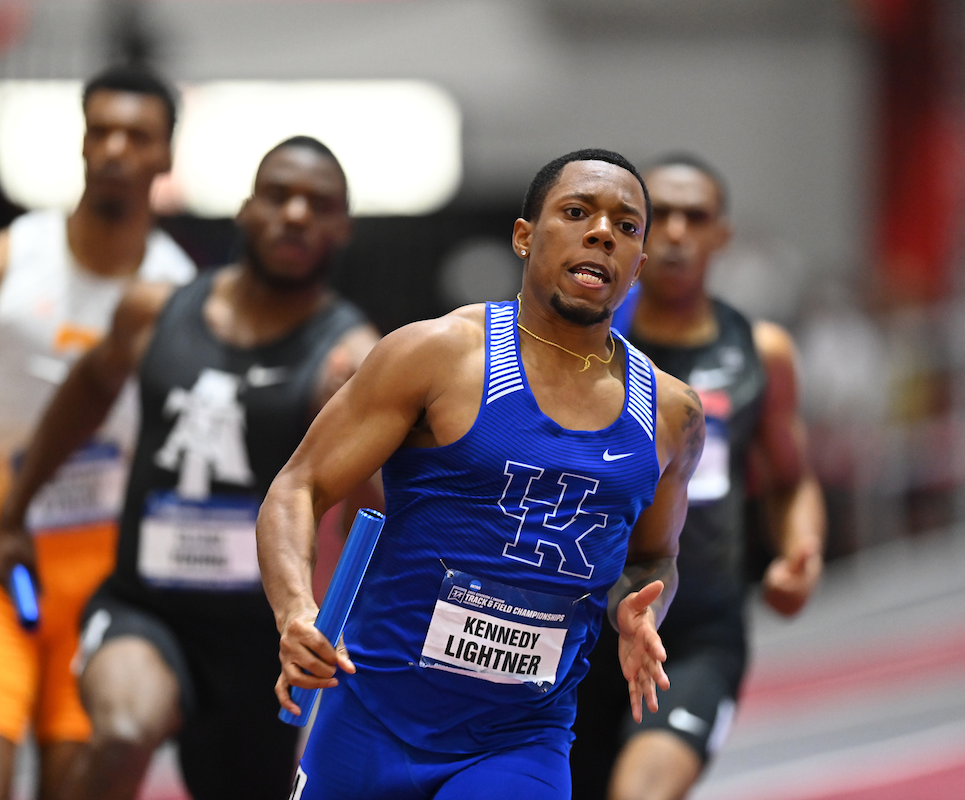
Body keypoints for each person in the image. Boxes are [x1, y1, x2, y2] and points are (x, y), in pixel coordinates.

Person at [257, 148, 707, 800]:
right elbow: (299, 487)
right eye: (577, 212)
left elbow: (654, 560)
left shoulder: (671, 415)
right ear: (524, 237)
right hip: (368, 719)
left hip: (519, 742)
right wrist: (295, 611)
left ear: (637, 265)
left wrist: (645, 611)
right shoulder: (436, 357)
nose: (602, 232)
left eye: (626, 225)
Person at [0, 135, 379, 800]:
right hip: (147, 608)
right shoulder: (153, 312)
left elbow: (375, 510)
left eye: (318, 204)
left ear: (341, 227)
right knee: (122, 730)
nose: (295, 214)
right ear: (245, 209)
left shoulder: (348, 359)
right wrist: (13, 512)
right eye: (278, 195)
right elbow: (81, 398)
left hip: (262, 644)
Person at [0, 64, 195, 800]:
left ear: (165, 157)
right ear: (83, 145)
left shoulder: (180, 296)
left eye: (138, 135)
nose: (117, 149)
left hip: (106, 596)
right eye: (102, 132)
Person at [570, 153, 826, 800]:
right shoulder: (580, 345)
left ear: (721, 236)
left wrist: (801, 553)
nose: (678, 233)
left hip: (695, 636)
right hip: (576, 628)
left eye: (696, 217)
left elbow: (791, 477)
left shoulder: (758, 352)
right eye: (661, 217)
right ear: (635, 232)